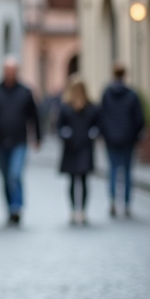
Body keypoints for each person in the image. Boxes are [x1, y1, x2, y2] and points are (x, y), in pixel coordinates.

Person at [0, 57, 42, 226]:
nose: (9, 74)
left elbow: (34, 116)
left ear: (16, 72)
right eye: (7, 70)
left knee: (14, 175)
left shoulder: (25, 92)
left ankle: (17, 207)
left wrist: (37, 138)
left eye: (12, 70)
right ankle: (9, 208)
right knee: (5, 178)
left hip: (19, 141)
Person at [98, 62, 145, 217]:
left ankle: (112, 200)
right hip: (128, 139)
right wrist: (135, 134)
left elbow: (101, 117)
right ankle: (126, 204)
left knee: (112, 170)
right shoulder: (132, 94)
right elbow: (139, 119)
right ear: (124, 75)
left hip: (111, 139)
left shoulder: (106, 94)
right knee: (126, 172)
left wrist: (104, 134)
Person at [56, 75, 100, 226]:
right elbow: (59, 127)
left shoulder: (91, 107)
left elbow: (98, 125)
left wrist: (93, 133)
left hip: (85, 148)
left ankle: (83, 211)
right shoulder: (65, 107)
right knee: (72, 181)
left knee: (84, 180)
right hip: (71, 148)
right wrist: (65, 134)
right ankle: (74, 210)